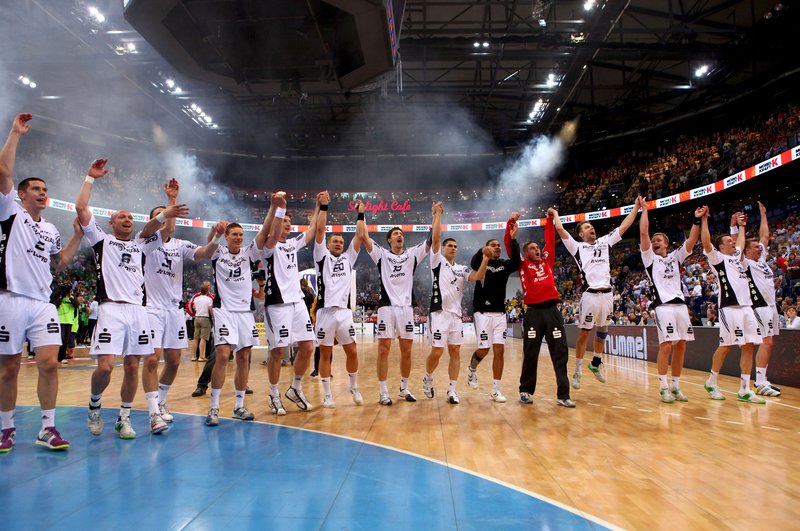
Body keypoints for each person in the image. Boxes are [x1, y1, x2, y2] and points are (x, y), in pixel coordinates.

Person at [77, 158, 189, 439]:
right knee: (105, 367)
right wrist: (90, 178)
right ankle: (94, 404)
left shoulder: (141, 244)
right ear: (111, 222)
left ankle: (124, 418)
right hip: (111, 309)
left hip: (138, 311)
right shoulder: (101, 240)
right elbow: (81, 208)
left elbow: (161, 230)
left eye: (130, 217)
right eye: (122, 217)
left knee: (131, 366)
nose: (127, 220)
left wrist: (169, 204)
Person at [0, 113, 83, 452]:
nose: (42, 193)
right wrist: (15, 133)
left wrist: (77, 237)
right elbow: (4, 171)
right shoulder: (9, 212)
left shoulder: (49, 228)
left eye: (45, 190)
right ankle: (6, 428)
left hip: (41, 303)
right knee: (9, 368)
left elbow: (59, 262)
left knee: (49, 364)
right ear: (21, 194)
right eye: (36, 188)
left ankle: (47, 428)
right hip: (10, 298)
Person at [144, 179, 221, 425]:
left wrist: (216, 237)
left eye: (168, 215)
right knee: (152, 358)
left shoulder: (180, 245)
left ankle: (161, 401)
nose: (165, 219)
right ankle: (153, 411)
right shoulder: (143, 241)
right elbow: (165, 228)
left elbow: (205, 253)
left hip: (174, 310)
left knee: (174, 361)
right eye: (160, 216)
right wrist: (171, 202)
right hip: (151, 308)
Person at [552, 201, 640, 389]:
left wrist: (636, 208)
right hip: (590, 295)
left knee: (602, 332)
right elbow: (560, 229)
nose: (591, 228)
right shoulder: (577, 247)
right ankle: (577, 371)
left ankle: (596, 363)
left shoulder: (605, 241)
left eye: (591, 226)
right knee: (585, 333)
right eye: (586, 227)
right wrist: (555, 214)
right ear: (580, 234)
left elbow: (624, 226)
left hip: (607, 295)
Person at [362, 203, 434, 405]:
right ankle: (383, 392)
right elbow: (364, 236)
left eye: (401, 233)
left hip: (406, 308)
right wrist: (361, 213)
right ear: (389, 240)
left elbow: (431, 240)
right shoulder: (381, 254)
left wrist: (436, 216)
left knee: (407, 350)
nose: (399, 235)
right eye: (395, 234)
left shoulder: (412, 254)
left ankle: (404, 387)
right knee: (383, 349)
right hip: (386, 307)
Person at [204, 214, 270, 426]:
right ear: (226, 236)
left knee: (243, 357)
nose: (238, 237)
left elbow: (264, 232)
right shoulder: (218, 252)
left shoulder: (248, 253)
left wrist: (274, 207)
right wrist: (214, 230)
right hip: (224, 309)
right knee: (223, 355)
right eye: (234, 234)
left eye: (241, 234)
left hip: (245, 312)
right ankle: (214, 407)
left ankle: (239, 406)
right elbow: (208, 246)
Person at [506, 209, 575, 407]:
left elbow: (550, 241)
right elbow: (510, 246)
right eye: (533, 248)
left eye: (538, 247)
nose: (537, 250)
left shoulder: (547, 261)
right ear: (526, 253)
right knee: (531, 353)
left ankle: (563, 395)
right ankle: (526, 391)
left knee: (560, 353)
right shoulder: (522, 265)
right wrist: (511, 223)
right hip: (533, 313)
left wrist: (549, 219)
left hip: (553, 312)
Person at [422, 202, 489, 405]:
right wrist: (438, 215)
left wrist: (485, 259)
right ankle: (427, 377)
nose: (453, 248)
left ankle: (452, 389)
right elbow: (435, 238)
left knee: (455, 351)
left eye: (455, 246)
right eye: (449, 245)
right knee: (437, 352)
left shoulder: (461, 268)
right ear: (442, 249)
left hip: (456, 316)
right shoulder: (437, 261)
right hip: (439, 313)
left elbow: (477, 276)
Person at [262, 191, 322, 414]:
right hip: (277, 304)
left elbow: (312, 230)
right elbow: (272, 233)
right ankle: (273, 393)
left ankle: (295, 388)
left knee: (307, 347)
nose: (287, 223)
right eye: (284, 220)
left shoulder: (291, 244)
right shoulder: (267, 245)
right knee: (278, 351)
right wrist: (279, 208)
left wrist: (318, 207)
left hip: (297, 302)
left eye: (289, 221)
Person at [638, 198, 703, 403]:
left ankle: (675, 385)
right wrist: (645, 210)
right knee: (666, 346)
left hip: (680, 305)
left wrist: (697, 220)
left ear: (666, 243)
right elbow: (643, 233)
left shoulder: (675, 256)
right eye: (653, 240)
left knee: (681, 345)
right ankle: (663, 386)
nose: (654, 242)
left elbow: (692, 240)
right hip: (663, 306)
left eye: (658, 240)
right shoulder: (649, 258)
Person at [700, 210, 765, 404]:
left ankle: (744, 389)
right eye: (729, 240)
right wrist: (703, 220)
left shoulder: (737, 257)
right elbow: (706, 242)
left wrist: (741, 226)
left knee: (749, 346)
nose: (732, 242)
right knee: (726, 346)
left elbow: (741, 243)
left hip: (746, 306)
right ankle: (711, 382)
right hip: (729, 307)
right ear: (721, 246)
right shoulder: (717, 259)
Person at [312, 199, 367, 408]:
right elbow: (319, 230)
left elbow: (359, 236)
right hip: (325, 312)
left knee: (352, 351)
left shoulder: (348, 258)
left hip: (344, 313)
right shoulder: (321, 257)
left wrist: (360, 214)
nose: (338, 244)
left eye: (341, 242)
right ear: (327, 245)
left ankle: (354, 386)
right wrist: (324, 207)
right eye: (334, 241)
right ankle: (327, 394)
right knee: (325, 353)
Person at [465, 216, 522, 402]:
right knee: (484, 349)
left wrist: (513, 240)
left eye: (498, 245)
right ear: (487, 248)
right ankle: (471, 369)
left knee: (499, 350)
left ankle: (496, 390)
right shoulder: (482, 263)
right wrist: (483, 251)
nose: (497, 247)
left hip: (500, 314)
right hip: (482, 312)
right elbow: (473, 263)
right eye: (493, 245)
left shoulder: (505, 265)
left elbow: (517, 263)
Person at [741, 202, 781, 396]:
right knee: (767, 342)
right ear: (747, 251)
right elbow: (739, 243)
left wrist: (763, 214)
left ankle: (763, 379)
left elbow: (764, 235)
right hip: (760, 306)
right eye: (756, 247)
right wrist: (738, 227)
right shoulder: (746, 263)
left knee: (769, 343)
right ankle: (760, 381)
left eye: (759, 247)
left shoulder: (762, 260)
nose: (760, 248)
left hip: (771, 306)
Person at [191, 284, 214, 362]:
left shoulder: (196, 299)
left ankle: (193, 356)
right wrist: (213, 317)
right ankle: (201, 356)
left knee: (195, 338)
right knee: (203, 339)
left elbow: (194, 307)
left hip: (197, 317)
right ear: (207, 291)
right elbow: (211, 310)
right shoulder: (209, 299)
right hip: (205, 318)